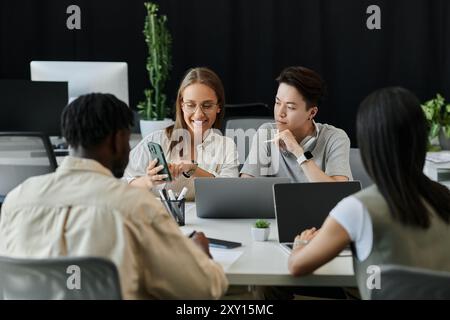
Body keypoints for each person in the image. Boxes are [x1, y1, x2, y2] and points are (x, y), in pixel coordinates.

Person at [0, 93, 228, 299]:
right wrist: (201, 255)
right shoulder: (136, 207)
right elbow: (204, 289)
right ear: (118, 140)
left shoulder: (16, 199)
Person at [288, 87, 450, 299]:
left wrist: (300, 244)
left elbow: (296, 267)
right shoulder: (444, 198)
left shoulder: (358, 208)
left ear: (369, 147)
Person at [125, 67, 239, 200]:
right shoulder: (157, 140)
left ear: (218, 106)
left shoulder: (226, 146)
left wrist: (193, 170)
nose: (199, 114)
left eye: (207, 106)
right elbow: (118, 184)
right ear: (181, 105)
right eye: (191, 105)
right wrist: (148, 180)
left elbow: (231, 192)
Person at [240, 66, 352, 182]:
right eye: (277, 103)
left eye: (290, 107)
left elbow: (338, 192)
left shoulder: (335, 138)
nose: (280, 113)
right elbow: (246, 187)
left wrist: (298, 151)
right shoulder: (266, 132)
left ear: (312, 112)